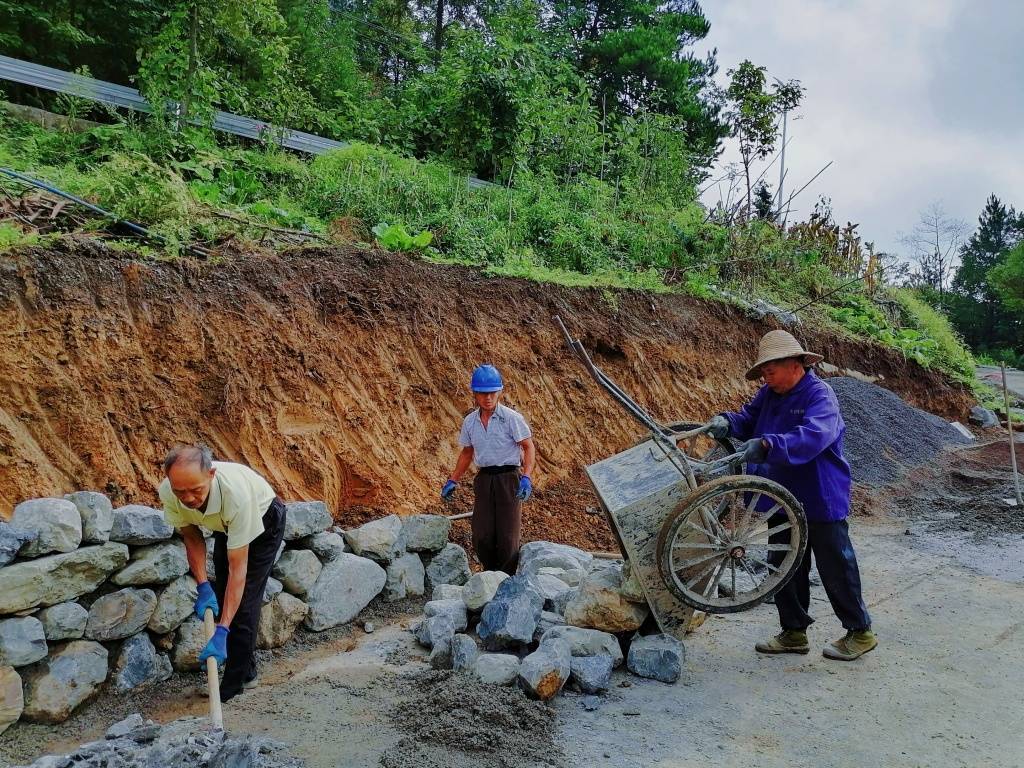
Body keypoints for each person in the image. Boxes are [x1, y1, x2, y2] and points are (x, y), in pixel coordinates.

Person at [705, 330, 877, 661]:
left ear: (794, 365)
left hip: (819, 495)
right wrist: (727, 422)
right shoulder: (769, 393)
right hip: (782, 496)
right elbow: (747, 419)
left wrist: (769, 445)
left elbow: (813, 436)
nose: (767, 378)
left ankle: (860, 631)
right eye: (765, 373)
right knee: (784, 565)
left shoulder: (820, 396)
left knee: (835, 565)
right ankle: (794, 632)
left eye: (771, 371)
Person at [157, 444, 286, 700]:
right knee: (220, 588)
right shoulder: (170, 492)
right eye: (180, 491)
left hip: (263, 520)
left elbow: (239, 570)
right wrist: (203, 584)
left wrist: (223, 629)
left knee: (244, 603)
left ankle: (233, 684)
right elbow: (191, 536)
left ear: (211, 475)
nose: (188, 498)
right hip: (225, 526)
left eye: (196, 490)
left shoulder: (235, 495)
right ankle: (246, 671)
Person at [441, 364, 536, 574]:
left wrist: (526, 477)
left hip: (509, 478)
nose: (488, 398)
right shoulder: (470, 422)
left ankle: (506, 579)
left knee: (508, 536)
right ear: (475, 393)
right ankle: (490, 573)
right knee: (482, 535)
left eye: (492, 393)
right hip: (484, 479)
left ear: (500, 391)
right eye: (483, 393)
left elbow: (528, 447)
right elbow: (467, 453)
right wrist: (453, 480)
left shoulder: (512, 418)